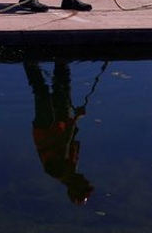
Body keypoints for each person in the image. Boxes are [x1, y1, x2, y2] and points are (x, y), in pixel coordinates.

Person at [25, 61, 94, 205]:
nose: (86, 180)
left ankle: (30, 62)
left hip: (46, 127)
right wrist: (74, 120)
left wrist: (76, 118)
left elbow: (65, 141)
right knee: (63, 88)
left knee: (41, 91)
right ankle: (61, 62)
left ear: (74, 187)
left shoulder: (58, 171)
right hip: (62, 125)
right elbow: (71, 138)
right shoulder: (72, 168)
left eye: (84, 185)